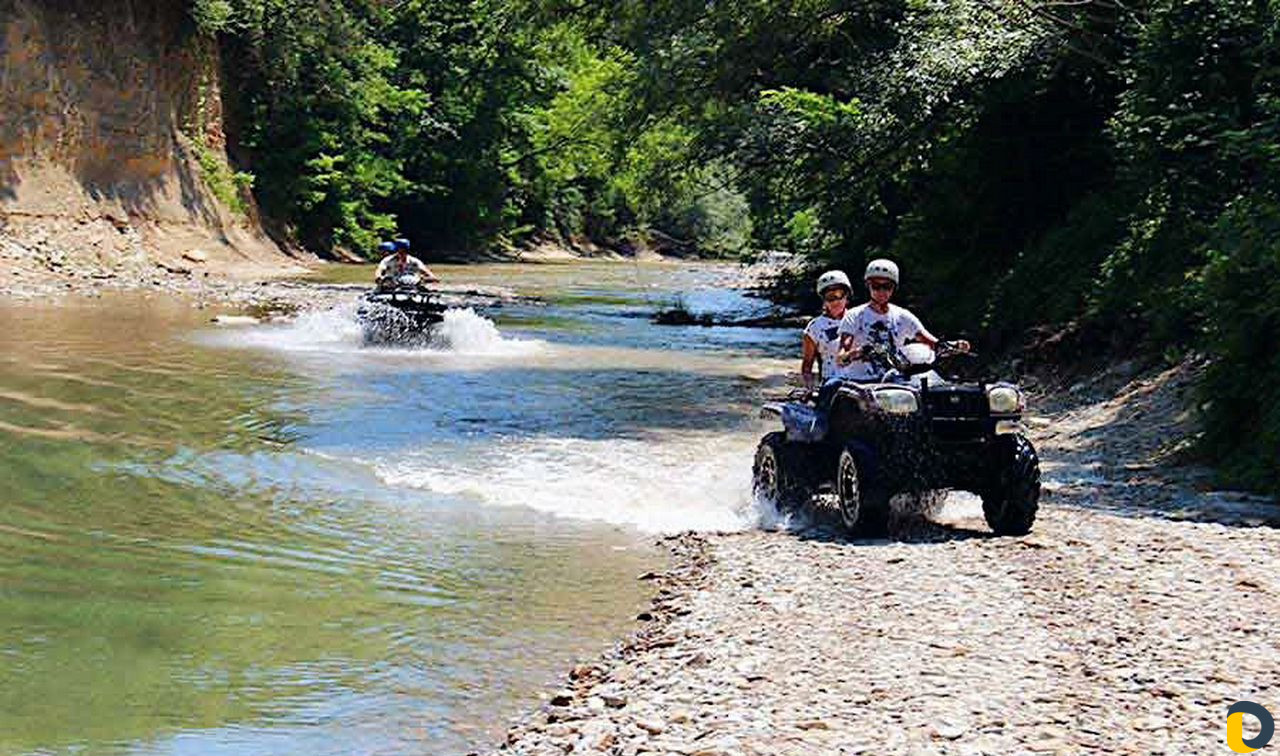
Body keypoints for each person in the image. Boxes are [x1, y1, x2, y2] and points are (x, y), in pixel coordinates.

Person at [836, 259, 969, 379]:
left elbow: (933, 344)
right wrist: (859, 352)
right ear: (868, 286)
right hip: (860, 382)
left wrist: (954, 345)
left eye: (887, 286)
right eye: (876, 286)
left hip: (895, 381)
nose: (881, 291)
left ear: (894, 288)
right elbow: (841, 358)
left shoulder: (903, 316)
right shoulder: (854, 316)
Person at [801, 270, 854, 393]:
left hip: (861, 382)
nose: (835, 301)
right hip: (832, 384)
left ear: (847, 296)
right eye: (830, 297)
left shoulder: (860, 319)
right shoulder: (815, 327)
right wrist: (809, 388)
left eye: (839, 294)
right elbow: (807, 365)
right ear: (824, 300)